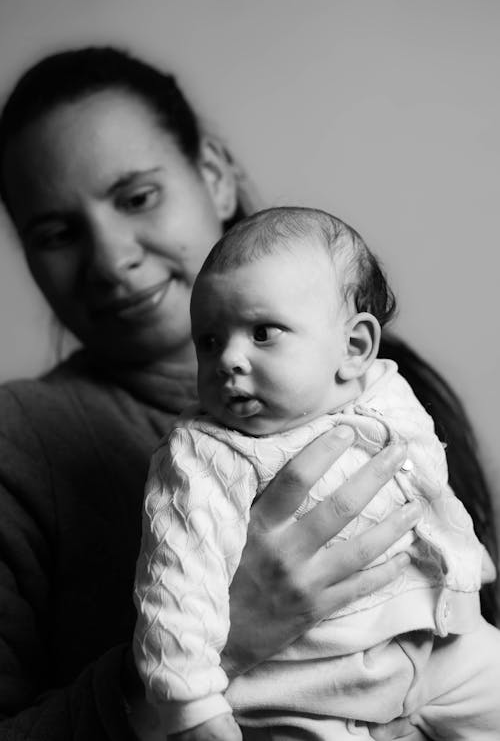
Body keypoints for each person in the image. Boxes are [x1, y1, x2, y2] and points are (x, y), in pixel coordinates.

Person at [0, 46, 495, 741]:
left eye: (138, 197)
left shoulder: (385, 387)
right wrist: (223, 643)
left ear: (213, 177)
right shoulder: (21, 441)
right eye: (55, 234)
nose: (112, 260)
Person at [133, 207, 499, 740]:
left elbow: (430, 487)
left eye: (263, 332)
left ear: (354, 348)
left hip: (441, 641)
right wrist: (190, 708)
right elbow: (172, 586)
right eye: (208, 341)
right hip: (306, 681)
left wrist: (464, 569)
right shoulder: (204, 454)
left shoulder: (385, 389)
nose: (227, 359)